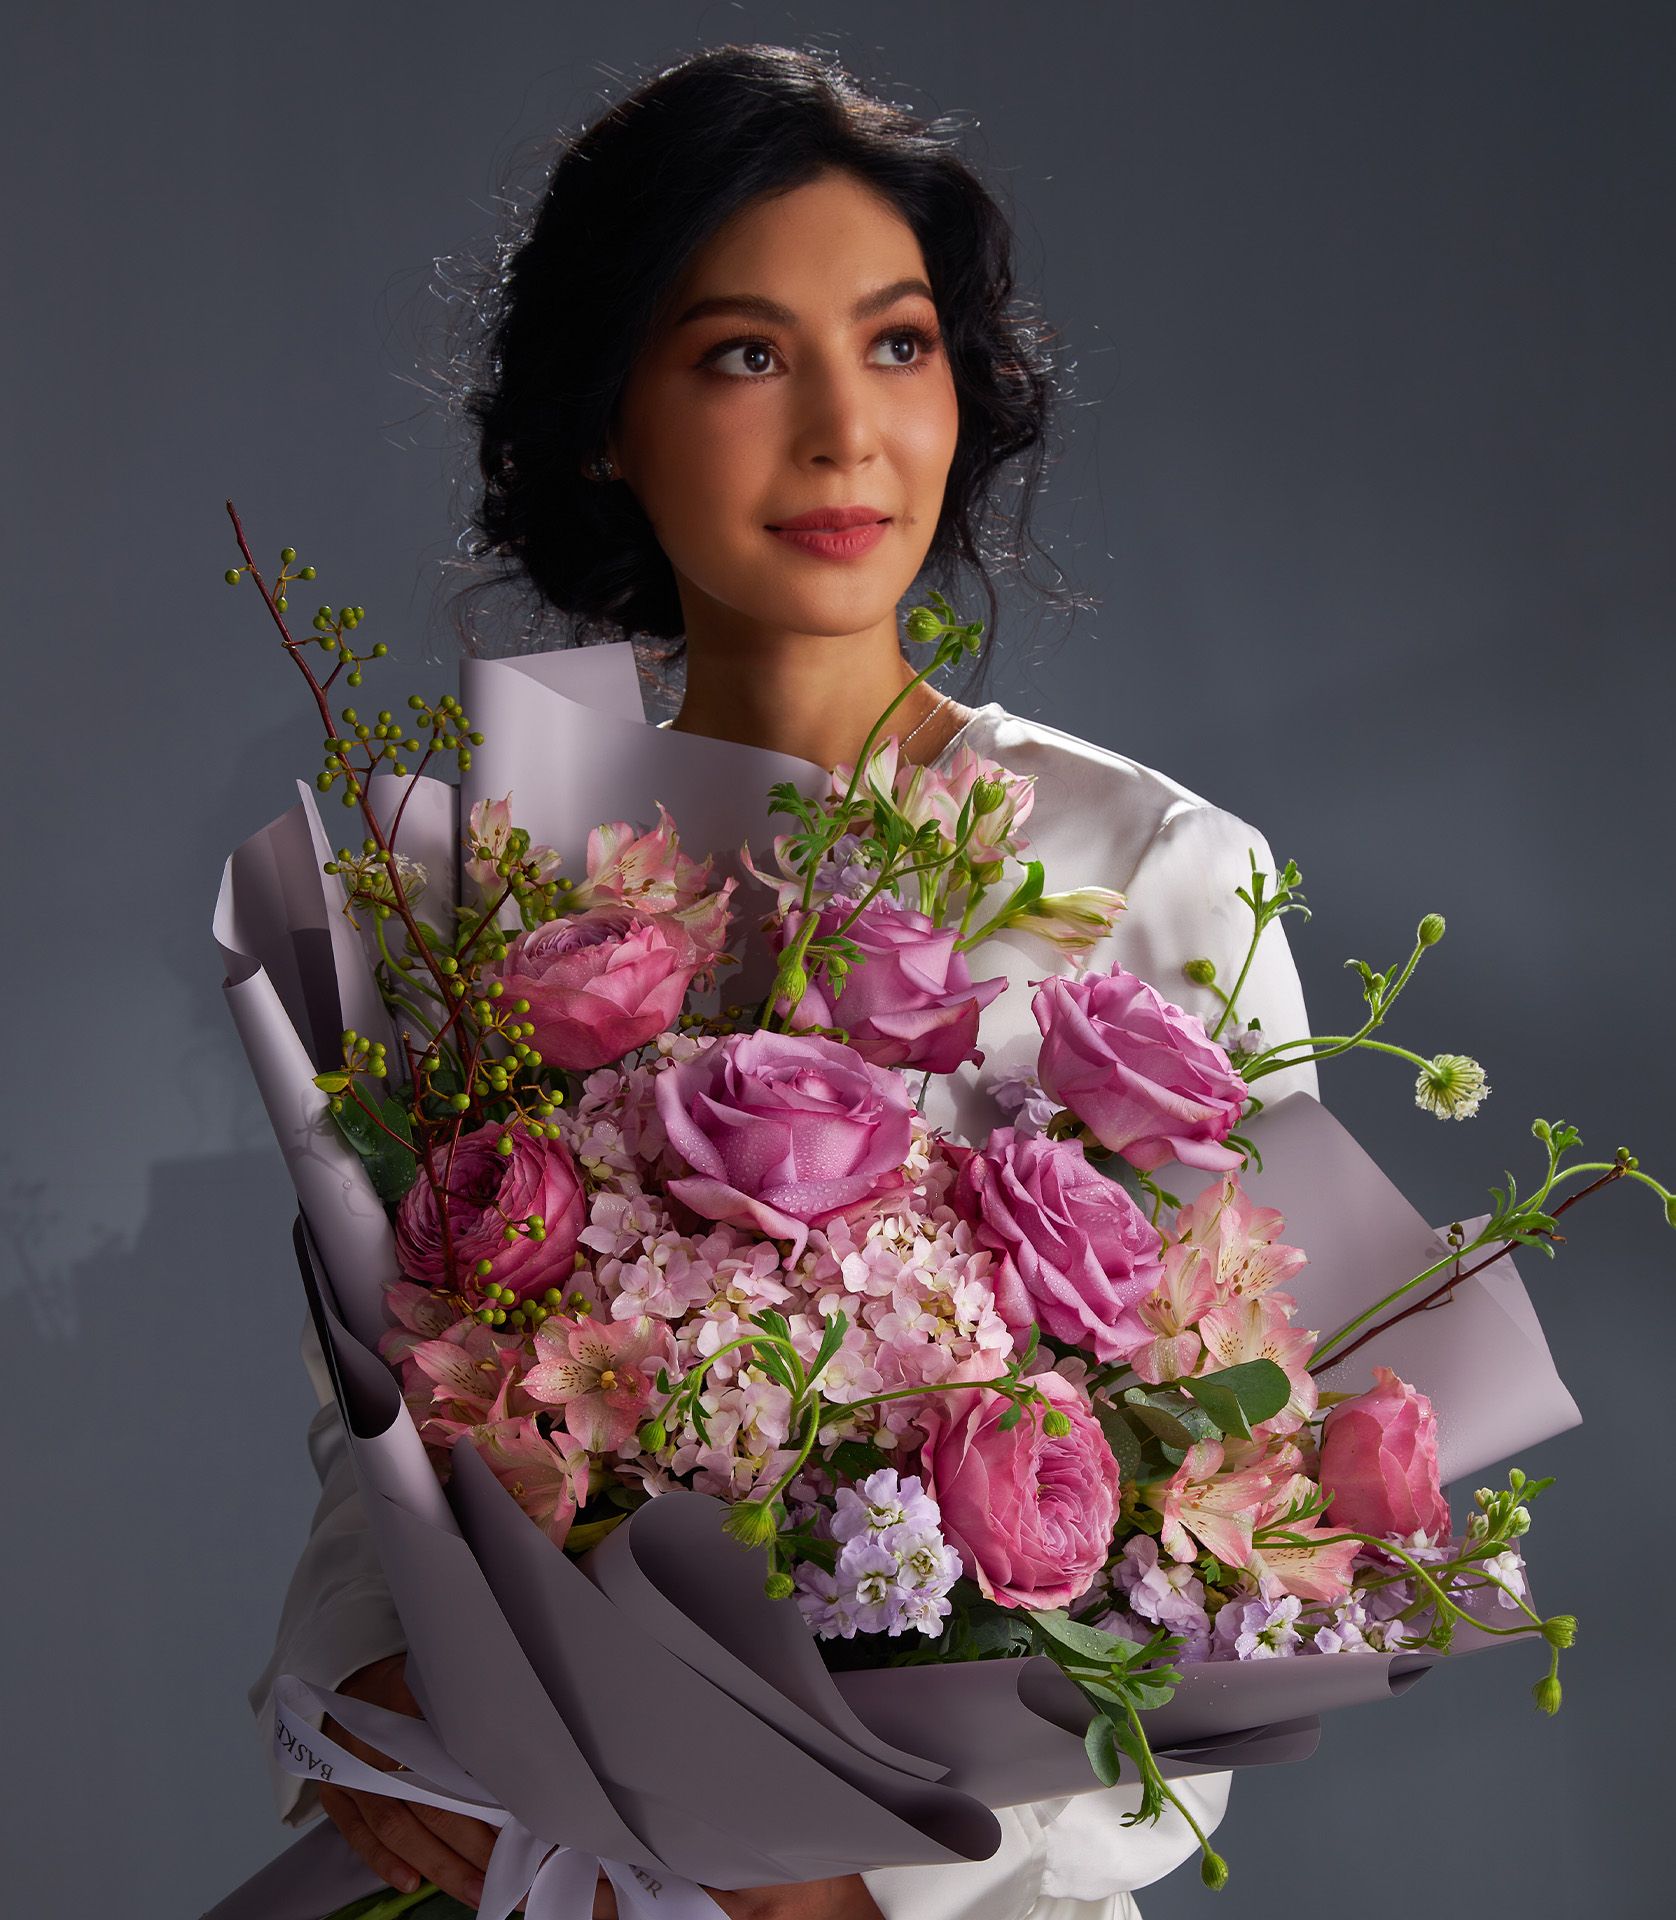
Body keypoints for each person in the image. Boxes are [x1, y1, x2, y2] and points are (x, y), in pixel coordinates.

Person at [248, 44, 1320, 1920]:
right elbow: (389, 1443)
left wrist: (848, 1874)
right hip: (531, 1856)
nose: (845, 433)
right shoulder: (476, 900)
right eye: (745, 354)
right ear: (604, 418)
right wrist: (354, 1686)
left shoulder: (1157, 877)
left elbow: (1262, 1569)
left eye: (897, 344)